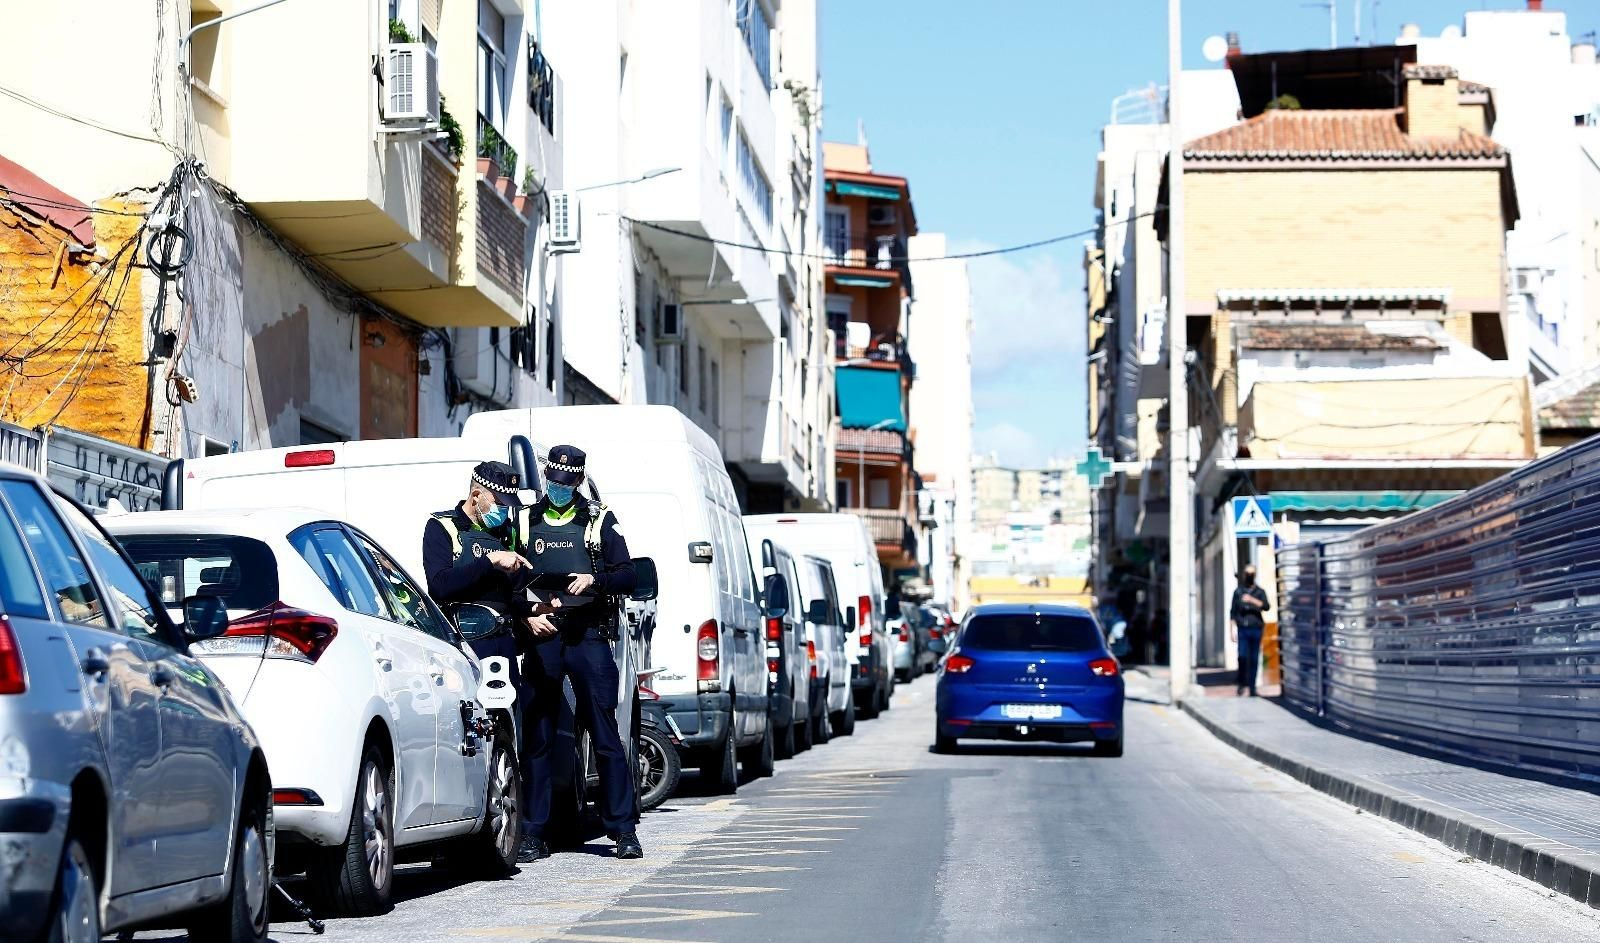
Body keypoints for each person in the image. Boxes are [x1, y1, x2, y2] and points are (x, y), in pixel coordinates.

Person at [517, 445, 640, 862]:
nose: (559, 489)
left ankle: (623, 830)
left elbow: (628, 574)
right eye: (554, 481)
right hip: (544, 635)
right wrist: (526, 614)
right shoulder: (525, 519)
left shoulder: (599, 519)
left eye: (567, 483)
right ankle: (533, 833)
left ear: (579, 481)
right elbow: (508, 579)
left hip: (588, 635)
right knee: (539, 735)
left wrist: (595, 579)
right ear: (546, 477)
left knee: (604, 733)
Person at [1229, 565, 1271, 696]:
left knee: (1254, 658)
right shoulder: (1238, 592)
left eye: (1251, 573)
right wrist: (1232, 630)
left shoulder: (1260, 592)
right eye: (1247, 573)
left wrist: (1252, 600)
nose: (1249, 576)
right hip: (1243, 628)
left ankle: (1252, 688)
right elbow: (1233, 612)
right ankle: (1241, 683)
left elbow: (1266, 606)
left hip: (1256, 628)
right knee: (1242, 656)